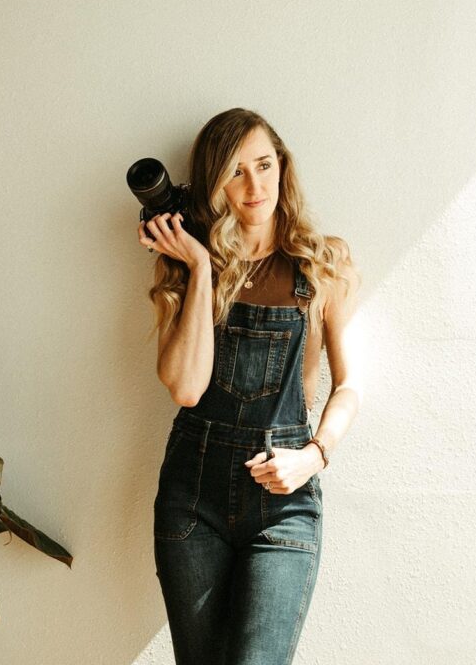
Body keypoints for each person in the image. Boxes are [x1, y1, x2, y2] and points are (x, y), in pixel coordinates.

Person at [138, 107, 361, 665]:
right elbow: (186, 390)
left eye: (264, 165)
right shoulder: (188, 264)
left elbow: (349, 384)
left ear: (282, 168)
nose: (254, 185)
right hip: (193, 497)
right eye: (236, 171)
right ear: (214, 184)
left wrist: (314, 456)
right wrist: (202, 268)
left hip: (284, 501)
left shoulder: (323, 263)